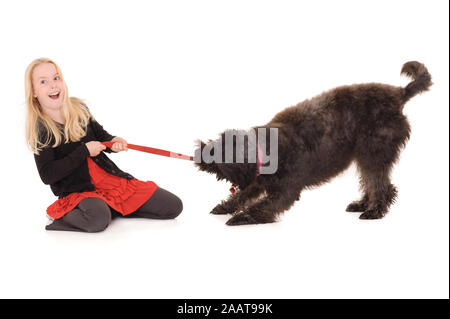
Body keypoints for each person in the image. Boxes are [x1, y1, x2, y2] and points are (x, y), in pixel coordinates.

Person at [25, 58, 183, 232]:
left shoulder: (79, 109)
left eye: (56, 78)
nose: (53, 85)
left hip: (110, 182)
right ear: (33, 92)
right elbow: (48, 175)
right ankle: (66, 213)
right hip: (79, 192)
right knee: (97, 220)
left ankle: (111, 207)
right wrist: (84, 151)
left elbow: (101, 137)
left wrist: (113, 142)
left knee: (173, 206)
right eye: (43, 82)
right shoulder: (40, 129)